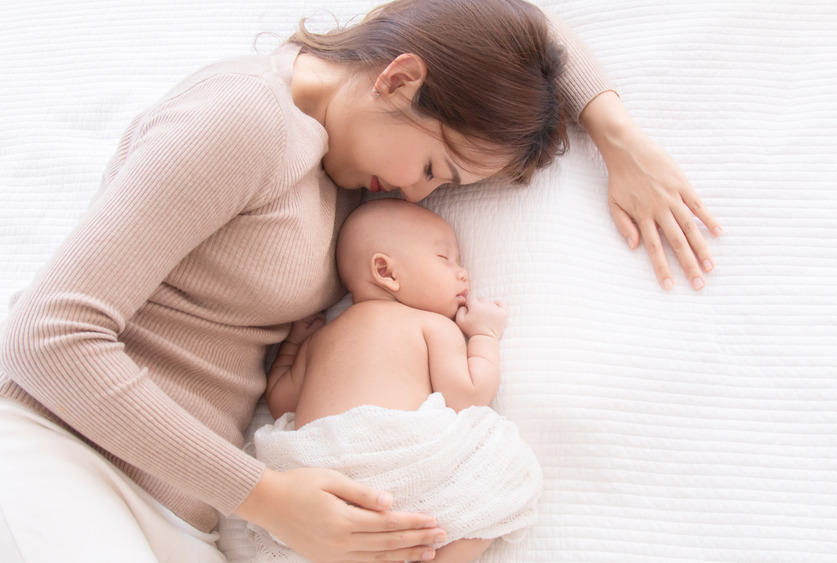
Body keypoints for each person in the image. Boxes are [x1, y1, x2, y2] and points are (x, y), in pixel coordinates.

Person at [0, 0, 720, 561]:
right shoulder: (245, 115)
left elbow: (530, 26)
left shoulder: (349, 166)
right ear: (400, 78)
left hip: (182, 513)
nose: (416, 195)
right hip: (60, 449)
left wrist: (616, 135)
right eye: (436, 169)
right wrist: (270, 497)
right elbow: (49, 333)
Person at [229, 198, 542, 563]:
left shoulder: (322, 339)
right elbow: (469, 395)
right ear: (386, 271)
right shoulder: (431, 326)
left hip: (323, 488)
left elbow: (281, 400)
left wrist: (294, 343)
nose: (463, 274)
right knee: (506, 464)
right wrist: (485, 334)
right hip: (399, 466)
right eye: (445, 259)